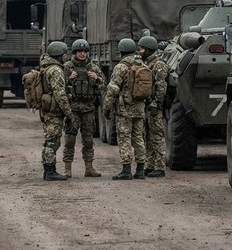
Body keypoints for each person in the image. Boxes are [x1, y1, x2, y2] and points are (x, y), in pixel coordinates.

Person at [103, 38, 147, 180]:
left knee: (124, 139)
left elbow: (113, 89)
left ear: (121, 51)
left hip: (124, 110)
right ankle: (140, 170)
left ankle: (126, 170)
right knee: (139, 138)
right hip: (139, 108)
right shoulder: (142, 64)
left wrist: (106, 108)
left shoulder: (120, 67)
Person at [62, 39, 105, 178]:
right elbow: (59, 86)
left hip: (88, 108)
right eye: (79, 52)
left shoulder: (93, 67)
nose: (82, 54)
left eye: (84, 52)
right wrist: (69, 78)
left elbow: (104, 86)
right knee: (70, 139)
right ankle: (67, 169)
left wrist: (96, 78)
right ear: (74, 53)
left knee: (88, 139)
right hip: (73, 108)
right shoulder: (67, 67)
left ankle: (89, 168)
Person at [39, 41, 73, 181]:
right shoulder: (56, 70)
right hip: (54, 111)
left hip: (49, 109)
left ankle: (49, 170)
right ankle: (49, 171)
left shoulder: (47, 67)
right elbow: (60, 94)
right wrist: (68, 112)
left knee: (51, 140)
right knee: (52, 141)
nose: (66, 56)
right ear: (60, 54)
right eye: (65, 54)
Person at [139, 36, 169, 178]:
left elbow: (161, 86)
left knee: (157, 136)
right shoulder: (146, 64)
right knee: (148, 137)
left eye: (142, 48)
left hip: (154, 106)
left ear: (149, 49)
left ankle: (160, 166)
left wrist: (157, 103)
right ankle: (150, 165)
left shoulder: (158, 64)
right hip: (147, 105)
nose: (140, 51)